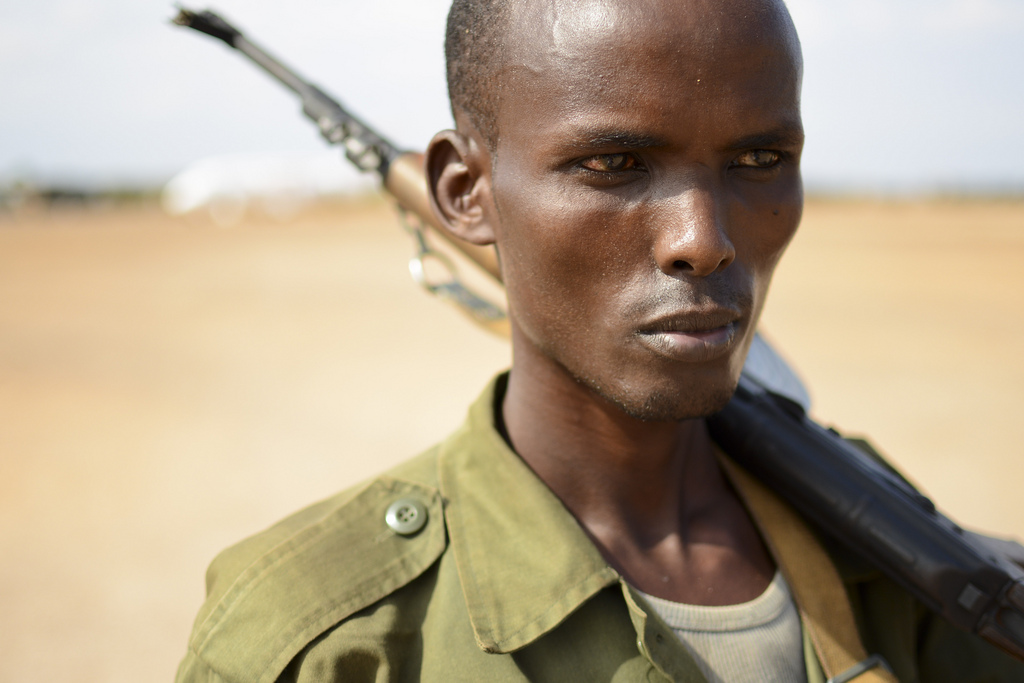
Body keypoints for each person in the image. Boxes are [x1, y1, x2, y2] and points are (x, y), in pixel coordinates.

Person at [175, 0, 1024, 681]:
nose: (704, 239)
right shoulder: (325, 644)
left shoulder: (893, 553)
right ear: (465, 192)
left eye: (760, 159)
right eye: (615, 164)